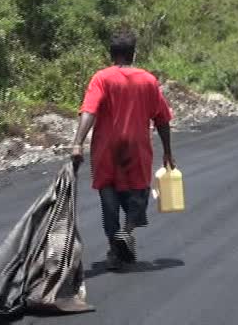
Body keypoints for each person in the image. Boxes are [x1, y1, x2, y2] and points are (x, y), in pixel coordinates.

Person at [70, 30, 174, 270]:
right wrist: (168, 151)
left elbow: (90, 111)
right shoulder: (148, 80)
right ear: (133, 54)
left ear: (111, 53)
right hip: (137, 149)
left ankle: (115, 248)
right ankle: (126, 232)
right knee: (138, 195)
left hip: (106, 150)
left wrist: (78, 143)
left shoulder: (101, 78)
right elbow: (162, 119)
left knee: (109, 199)